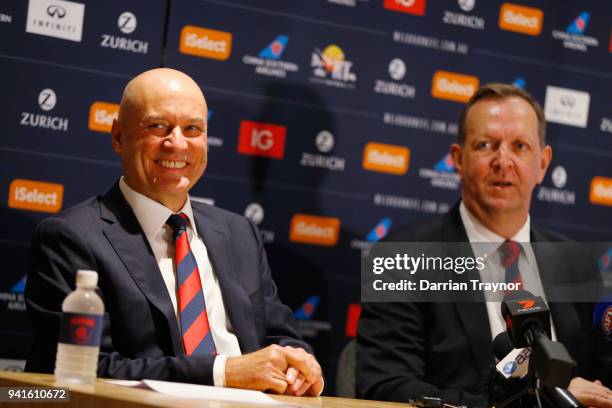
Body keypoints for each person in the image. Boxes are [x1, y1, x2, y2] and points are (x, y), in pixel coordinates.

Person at [25, 68, 323, 396]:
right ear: (119, 136)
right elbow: (84, 370)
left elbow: (281, 337)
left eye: (193, 128)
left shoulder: (240, 233)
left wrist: (298, 365)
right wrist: (223, 372)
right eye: (157, 126)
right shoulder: (70, 237)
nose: (177, 144)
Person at [357, 83, 612, 407]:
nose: (503, 161)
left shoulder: (575, 264)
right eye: (485, 145)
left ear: (543, 164)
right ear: (457, 159)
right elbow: (386, 388)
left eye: (519, 146)